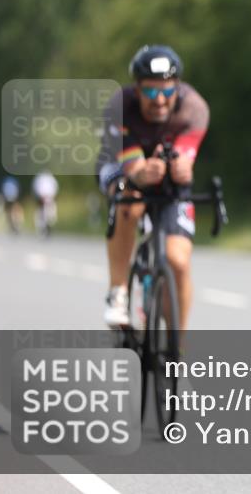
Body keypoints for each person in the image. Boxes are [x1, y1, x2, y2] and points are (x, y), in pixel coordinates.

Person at [95, 45, 209, 331]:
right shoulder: (118, 107)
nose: (159, 99)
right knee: (129, 198)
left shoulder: (195, 108)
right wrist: (141, 172)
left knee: (178, 261)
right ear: (137, 88)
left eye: (167, 91)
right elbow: (134, 169)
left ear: (177, 88)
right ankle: (118, 293)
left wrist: (183, 166)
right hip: (121, 163)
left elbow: (185, 159)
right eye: (149, 91)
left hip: (166, 172)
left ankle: (177, 351)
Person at [31, 170, 60, 236]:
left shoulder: (49, 178)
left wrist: (51, 196)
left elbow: (55, 187)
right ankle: (42, 227)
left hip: (49, 197)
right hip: (41, 198)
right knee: (40, 213)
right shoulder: (40, 178)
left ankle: (49, 225)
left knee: (51, 213)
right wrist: (40, 196)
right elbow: (36, 187)